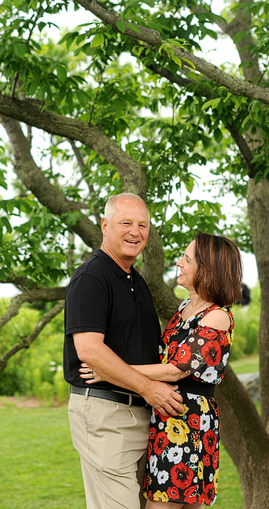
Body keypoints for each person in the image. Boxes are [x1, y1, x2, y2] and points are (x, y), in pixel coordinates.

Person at [83, 232, 242, 508]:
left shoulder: (217, 315)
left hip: (188, 421)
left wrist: (110, 370)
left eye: (187, 259)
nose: (179, 262)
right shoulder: (184, 309)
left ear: (207, 270)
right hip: (166, 418)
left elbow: (174, 370)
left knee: (162, 504)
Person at [64, 192, 186, 509]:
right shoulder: (91, 277)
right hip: (107, 416)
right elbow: (89, 350)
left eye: (142, 225)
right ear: (105, 225)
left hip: (143, 414)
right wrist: (150, 388)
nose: (135, 232)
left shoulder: (137, 281)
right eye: (126, 223)